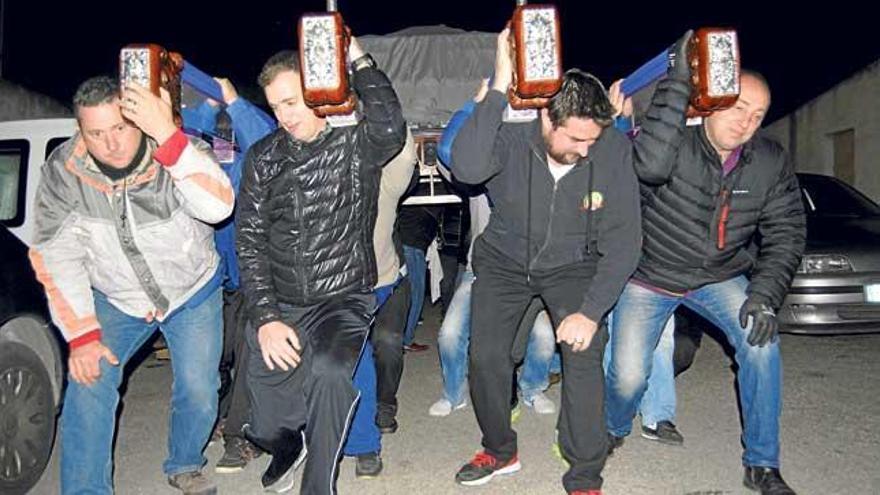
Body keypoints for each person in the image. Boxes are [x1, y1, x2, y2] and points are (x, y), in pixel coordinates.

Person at [604, 31, 805, 495]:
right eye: (738, 109)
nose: (746, 124)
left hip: (720, 275)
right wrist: (679, 79)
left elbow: (787, 230)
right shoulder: (673, 140)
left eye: (757, 116)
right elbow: (648, 168)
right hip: (651, 274)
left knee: (761, 346)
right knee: (628, 377)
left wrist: (765, 296)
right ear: (713, 102)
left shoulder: (769, 160)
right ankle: (613, 426)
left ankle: (762, 464)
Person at [450, 28, 642, 495]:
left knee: (583, 351)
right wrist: (498, 87)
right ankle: (499, 449)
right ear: (547, 120)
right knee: (487, 356)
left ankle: (584, 473)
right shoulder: (512, 137)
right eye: (577, 139)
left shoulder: (611, 149)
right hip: (504, 260)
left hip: (574, 264)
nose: (586, 150)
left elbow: (625, 241)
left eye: (594, 139)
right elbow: (467, 169)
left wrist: (591, 312)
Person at [30, 75, 233, 494]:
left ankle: (184, 462)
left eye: (120, 128)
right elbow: (55, 253)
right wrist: (81, 333)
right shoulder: (63, 172)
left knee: (199, 389)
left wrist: (169, 139)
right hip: (118, 297)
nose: (111, 143)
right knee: (88, 380)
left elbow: (218, 207)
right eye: (96, 133)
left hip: (191, 290)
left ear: (137, 120)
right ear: (80, 131)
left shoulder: (177, 149)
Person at [236, 35, 406, 494]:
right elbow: (248, 243)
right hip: (283, 303)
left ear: (316, 93)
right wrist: (268, 318)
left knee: (331, 375)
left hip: (342, 297)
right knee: (267, 422)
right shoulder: (263, 159)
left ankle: (318, 486)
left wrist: (354, 56)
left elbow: (391, 124)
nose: (285, 115)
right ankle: (288, 445)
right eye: (276, 107)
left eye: (292, 101)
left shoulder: (355, 144)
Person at [429, 81, 558, 418]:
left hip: (533, 269)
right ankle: (454, 392)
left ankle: (532, 388)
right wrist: (478, 104)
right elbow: (449, 150)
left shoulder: (537, 163)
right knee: (450, 332)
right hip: (482, 269)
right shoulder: (476, 169)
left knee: (544, 335)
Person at [181, 77, 276, 473]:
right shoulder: (199, 157)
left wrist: (233, 101)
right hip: (209, 280)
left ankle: (239, 438)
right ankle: (219, 422)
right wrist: (207, 104)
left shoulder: (253, 158)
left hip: (255, 279)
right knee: (215, 359)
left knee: (251, 356)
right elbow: (178, 137)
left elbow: (265, 137)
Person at [343, 128, 417, 477]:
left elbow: (402, 154)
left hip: (386, 282)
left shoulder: (383, 183)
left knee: (384, 344)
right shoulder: (318, 181)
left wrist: (370, 82)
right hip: (333, 287)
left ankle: (381, 410)